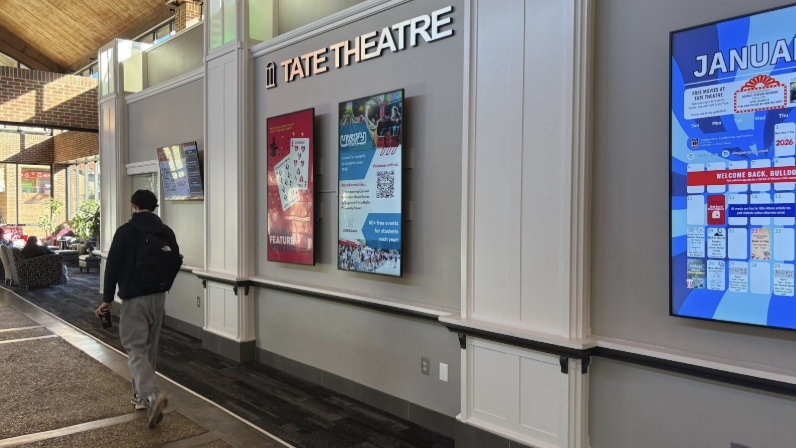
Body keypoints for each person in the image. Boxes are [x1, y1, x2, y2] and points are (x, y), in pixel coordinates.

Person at [95, 190, 181, 429]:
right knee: (148, 350)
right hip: (159, 297)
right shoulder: (166, 232)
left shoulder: (125, 232)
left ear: (133, 205)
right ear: (154, 207)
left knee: (135, 348)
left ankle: (151, 395)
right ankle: (140, 395)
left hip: (134, 299)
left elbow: (112, 266)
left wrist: (107, 299)